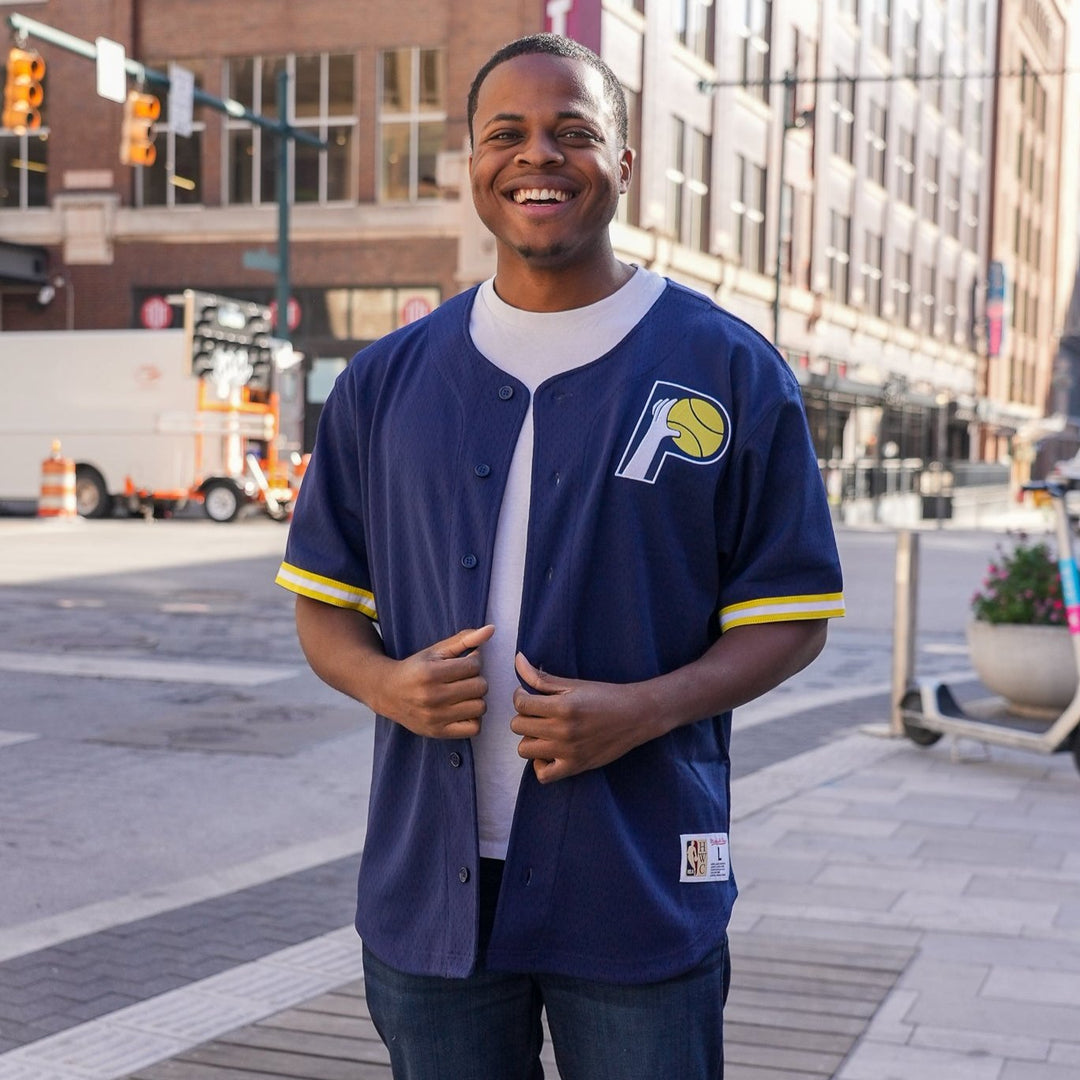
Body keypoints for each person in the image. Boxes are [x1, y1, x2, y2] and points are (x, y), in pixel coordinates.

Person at [276, 32, 844, 1080]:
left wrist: (648, 707)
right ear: (474, 165)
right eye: (509, 134)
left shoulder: (726, 368)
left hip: (637, 884)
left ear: (624, 165)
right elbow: (324, 603)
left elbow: (790, 615)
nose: (539, 155)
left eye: (574, 132)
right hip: (429, 895)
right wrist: (388, 683)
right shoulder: (385, 381)